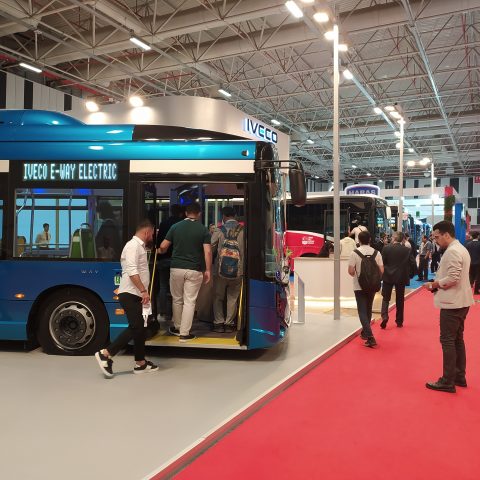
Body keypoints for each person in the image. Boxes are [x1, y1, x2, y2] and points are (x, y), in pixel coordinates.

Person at [95, 220, 158, 378]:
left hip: (137, 294)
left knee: (141, 328)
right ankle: (105, 353)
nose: (152, 237)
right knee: (136, 326)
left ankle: (140, 363)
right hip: (130, 293)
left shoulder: (140, 247)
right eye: (151, 234)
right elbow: (131, 271)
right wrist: (143, 291)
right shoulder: (132, 246)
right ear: (146, 232)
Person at [423, 220, 474, 393]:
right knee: (457, 339)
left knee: (448, 341)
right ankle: (459, 376)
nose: (436, 240)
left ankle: (447, 380)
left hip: (453, 303)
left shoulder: (452, 251)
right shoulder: (460, 248)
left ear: (446, 234)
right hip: (460, 301)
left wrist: (434, 284)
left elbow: (453, 278)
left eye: (437, 237)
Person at [158, 202, 212, 342]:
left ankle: (177, 327)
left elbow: (163, 246)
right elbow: (207, 252)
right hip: (194, 269)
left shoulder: (175, 227)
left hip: (176, 268)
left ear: (186, 213)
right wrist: (208, 270)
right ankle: (184, 334)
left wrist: (158, 251)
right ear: (199, 214)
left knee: (177, 299)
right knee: (189, 301)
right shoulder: (203, 230)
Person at [211, 206, 244, 333]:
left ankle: (219, 323)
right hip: (238, 271)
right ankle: (229, 324)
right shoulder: (243, 230)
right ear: (235, 215)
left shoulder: (219, 230)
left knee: (218, 297)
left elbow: (211, 247)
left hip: (220, 271)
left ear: (223, 216)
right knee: (233, 298)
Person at [348, 230, 384, 348]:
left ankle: (370, 336)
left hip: (359, 286)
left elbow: (350, 271)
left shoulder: (354, 253)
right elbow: (381, 270)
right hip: (373, 285)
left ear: (358, 240)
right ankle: (365, 333)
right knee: (368, 309)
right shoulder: (377, 253)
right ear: (370, 240)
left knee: (362, 311)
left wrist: (358, 274)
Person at [154, 204, 185, 322]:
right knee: (177, 289)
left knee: (163, 286)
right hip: (177, 260)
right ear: (181, 213)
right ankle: (175, 315)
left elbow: (159, 242)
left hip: (163, 258)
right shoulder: (182, 225)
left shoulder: (164, 223)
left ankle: (163, 313)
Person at [380, 232, 415, 328]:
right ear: (402, 239)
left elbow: (382, 262)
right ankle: (399, 321)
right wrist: (410, 275)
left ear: (394, 238)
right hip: (401, 277)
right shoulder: (407, 250)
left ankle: (384, 317)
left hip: (388, 276)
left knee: (385, 298)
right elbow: (413, 263)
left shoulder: (386, 248)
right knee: (400, 299)